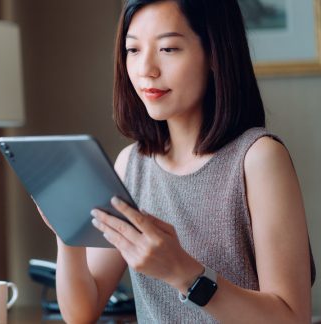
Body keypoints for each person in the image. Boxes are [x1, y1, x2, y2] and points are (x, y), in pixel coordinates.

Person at [37, 0, 316, 322]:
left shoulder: (258, 158)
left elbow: (292, 318)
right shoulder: (130, 164)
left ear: (215, 54)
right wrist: (67, 235)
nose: (146, 70)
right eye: (133, 50)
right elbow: (81, 313)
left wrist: (184, 273)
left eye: (168, 49)